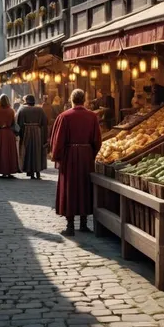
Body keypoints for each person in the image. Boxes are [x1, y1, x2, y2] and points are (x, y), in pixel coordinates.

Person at [51, 88, 102, 236]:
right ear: (84, 100)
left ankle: (70, 226)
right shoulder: (92, 117)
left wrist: (57, 157)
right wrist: (90, 153)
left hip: (70, 156)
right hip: (86, 156)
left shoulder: (64, 116)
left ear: (72, 100)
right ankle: (84, 223)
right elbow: (97, 140)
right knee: (85, 187)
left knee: (70, 188)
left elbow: (58, 141)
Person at [0, 94, 20, 178]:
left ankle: (2, 170)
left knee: (1, 152)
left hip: (0, 134)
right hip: (9, 133)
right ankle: (9, 170)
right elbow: (14, 123)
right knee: (9, 152)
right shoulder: (11, 111)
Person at [17, 94, 48, 179]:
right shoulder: (40, 110)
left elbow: (19, 123)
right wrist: (44, 136)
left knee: (28, 151)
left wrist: (20, 135)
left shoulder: (22, 110)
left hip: (27, 132)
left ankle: (30, 171)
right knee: (37, 151)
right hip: (37, 132)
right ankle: (37, 171)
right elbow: (44, 123)